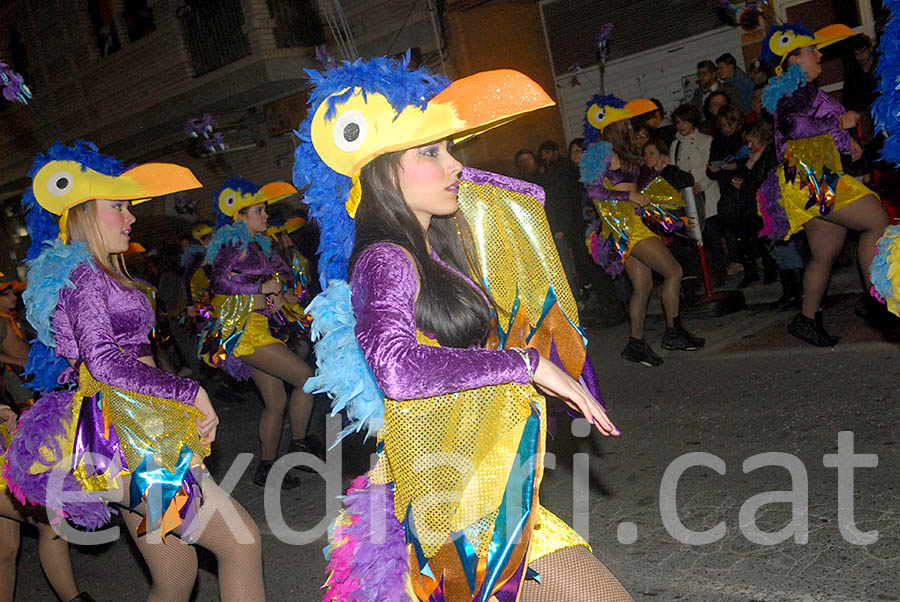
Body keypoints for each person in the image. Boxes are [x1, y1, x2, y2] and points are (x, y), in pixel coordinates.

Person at [296, 56, 633, 601]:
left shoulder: (435, 246)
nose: (454, 165)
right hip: (448, 518)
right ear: (383, 170)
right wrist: (529, 363)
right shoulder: (385, 257)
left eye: (451, 149)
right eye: (431, 152)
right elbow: (398, 368)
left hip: (483, 489)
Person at [4, 141, 264, 601]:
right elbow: (102, 362)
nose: (131, 217)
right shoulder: (84, 275)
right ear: (83, 212)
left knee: (175, 578)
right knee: (241, 543)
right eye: (118, 207)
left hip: (136, 425)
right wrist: (188, 390)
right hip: (132, 437)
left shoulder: (101, 274)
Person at [758, 23, 889, 345]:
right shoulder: (793, 89)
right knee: (876, 221)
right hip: (810, 179)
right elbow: (793, 127)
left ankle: (806, 319)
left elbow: (811, 131)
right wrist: (839, 122)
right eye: (811, 51)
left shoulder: (803, 90)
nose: (819, 55)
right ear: (792, 61)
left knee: (824, 252)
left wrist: (846, 140)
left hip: (810, 177)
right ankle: (879, 302)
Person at [203, 177, 320, 489]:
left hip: (258, 327)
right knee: (307, 379)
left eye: (265, 210)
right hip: (245, 333)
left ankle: (266, 468)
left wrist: (283, 296)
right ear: (239, 216)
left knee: (275, 402)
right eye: (259, 211)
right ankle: (299, 443)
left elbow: (276, 282)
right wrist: (261, 287)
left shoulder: (260, 243)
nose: (265, 216)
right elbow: (219, 283)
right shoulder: (235, 244)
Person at [581, 95, 705, 366]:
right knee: (674, 271)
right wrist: (630, 198)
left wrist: (653, 179)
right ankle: (673, 332)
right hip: (626, 227)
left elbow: (636, 183)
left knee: (643, 284)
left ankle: (635, 344)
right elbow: (593, 190)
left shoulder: (621, 151)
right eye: (624, 120)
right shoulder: (602, 151)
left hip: (629, 224)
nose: (628, 124)